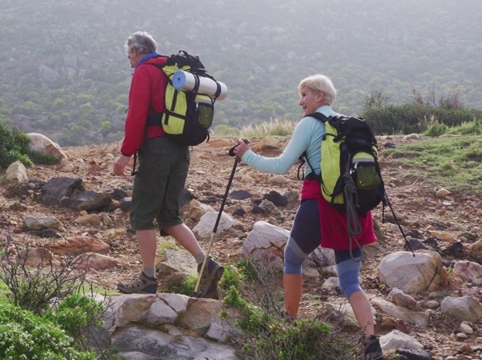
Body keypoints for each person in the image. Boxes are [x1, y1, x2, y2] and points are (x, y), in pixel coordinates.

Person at [232, 74, 384, 359]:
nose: (300, 101)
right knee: (350, 281)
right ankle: (371, 340)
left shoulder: (310, 124)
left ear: (320, 96)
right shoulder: (347, 125)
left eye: (305, 95)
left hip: (320, 204)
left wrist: (246, 155)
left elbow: (280, 165)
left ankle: (288, 319)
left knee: (292, 258)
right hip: (354, 208)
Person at [112, 31, 223, 299]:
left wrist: (125, 153)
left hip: (157, 150)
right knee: (169, 216)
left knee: (141, 216)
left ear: (137, 51)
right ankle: (204, 262)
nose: (129, 61)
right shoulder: (172, 70)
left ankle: (148, 278)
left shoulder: (144, 71)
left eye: (129, 55)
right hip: (181, 151)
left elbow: (137, 116)